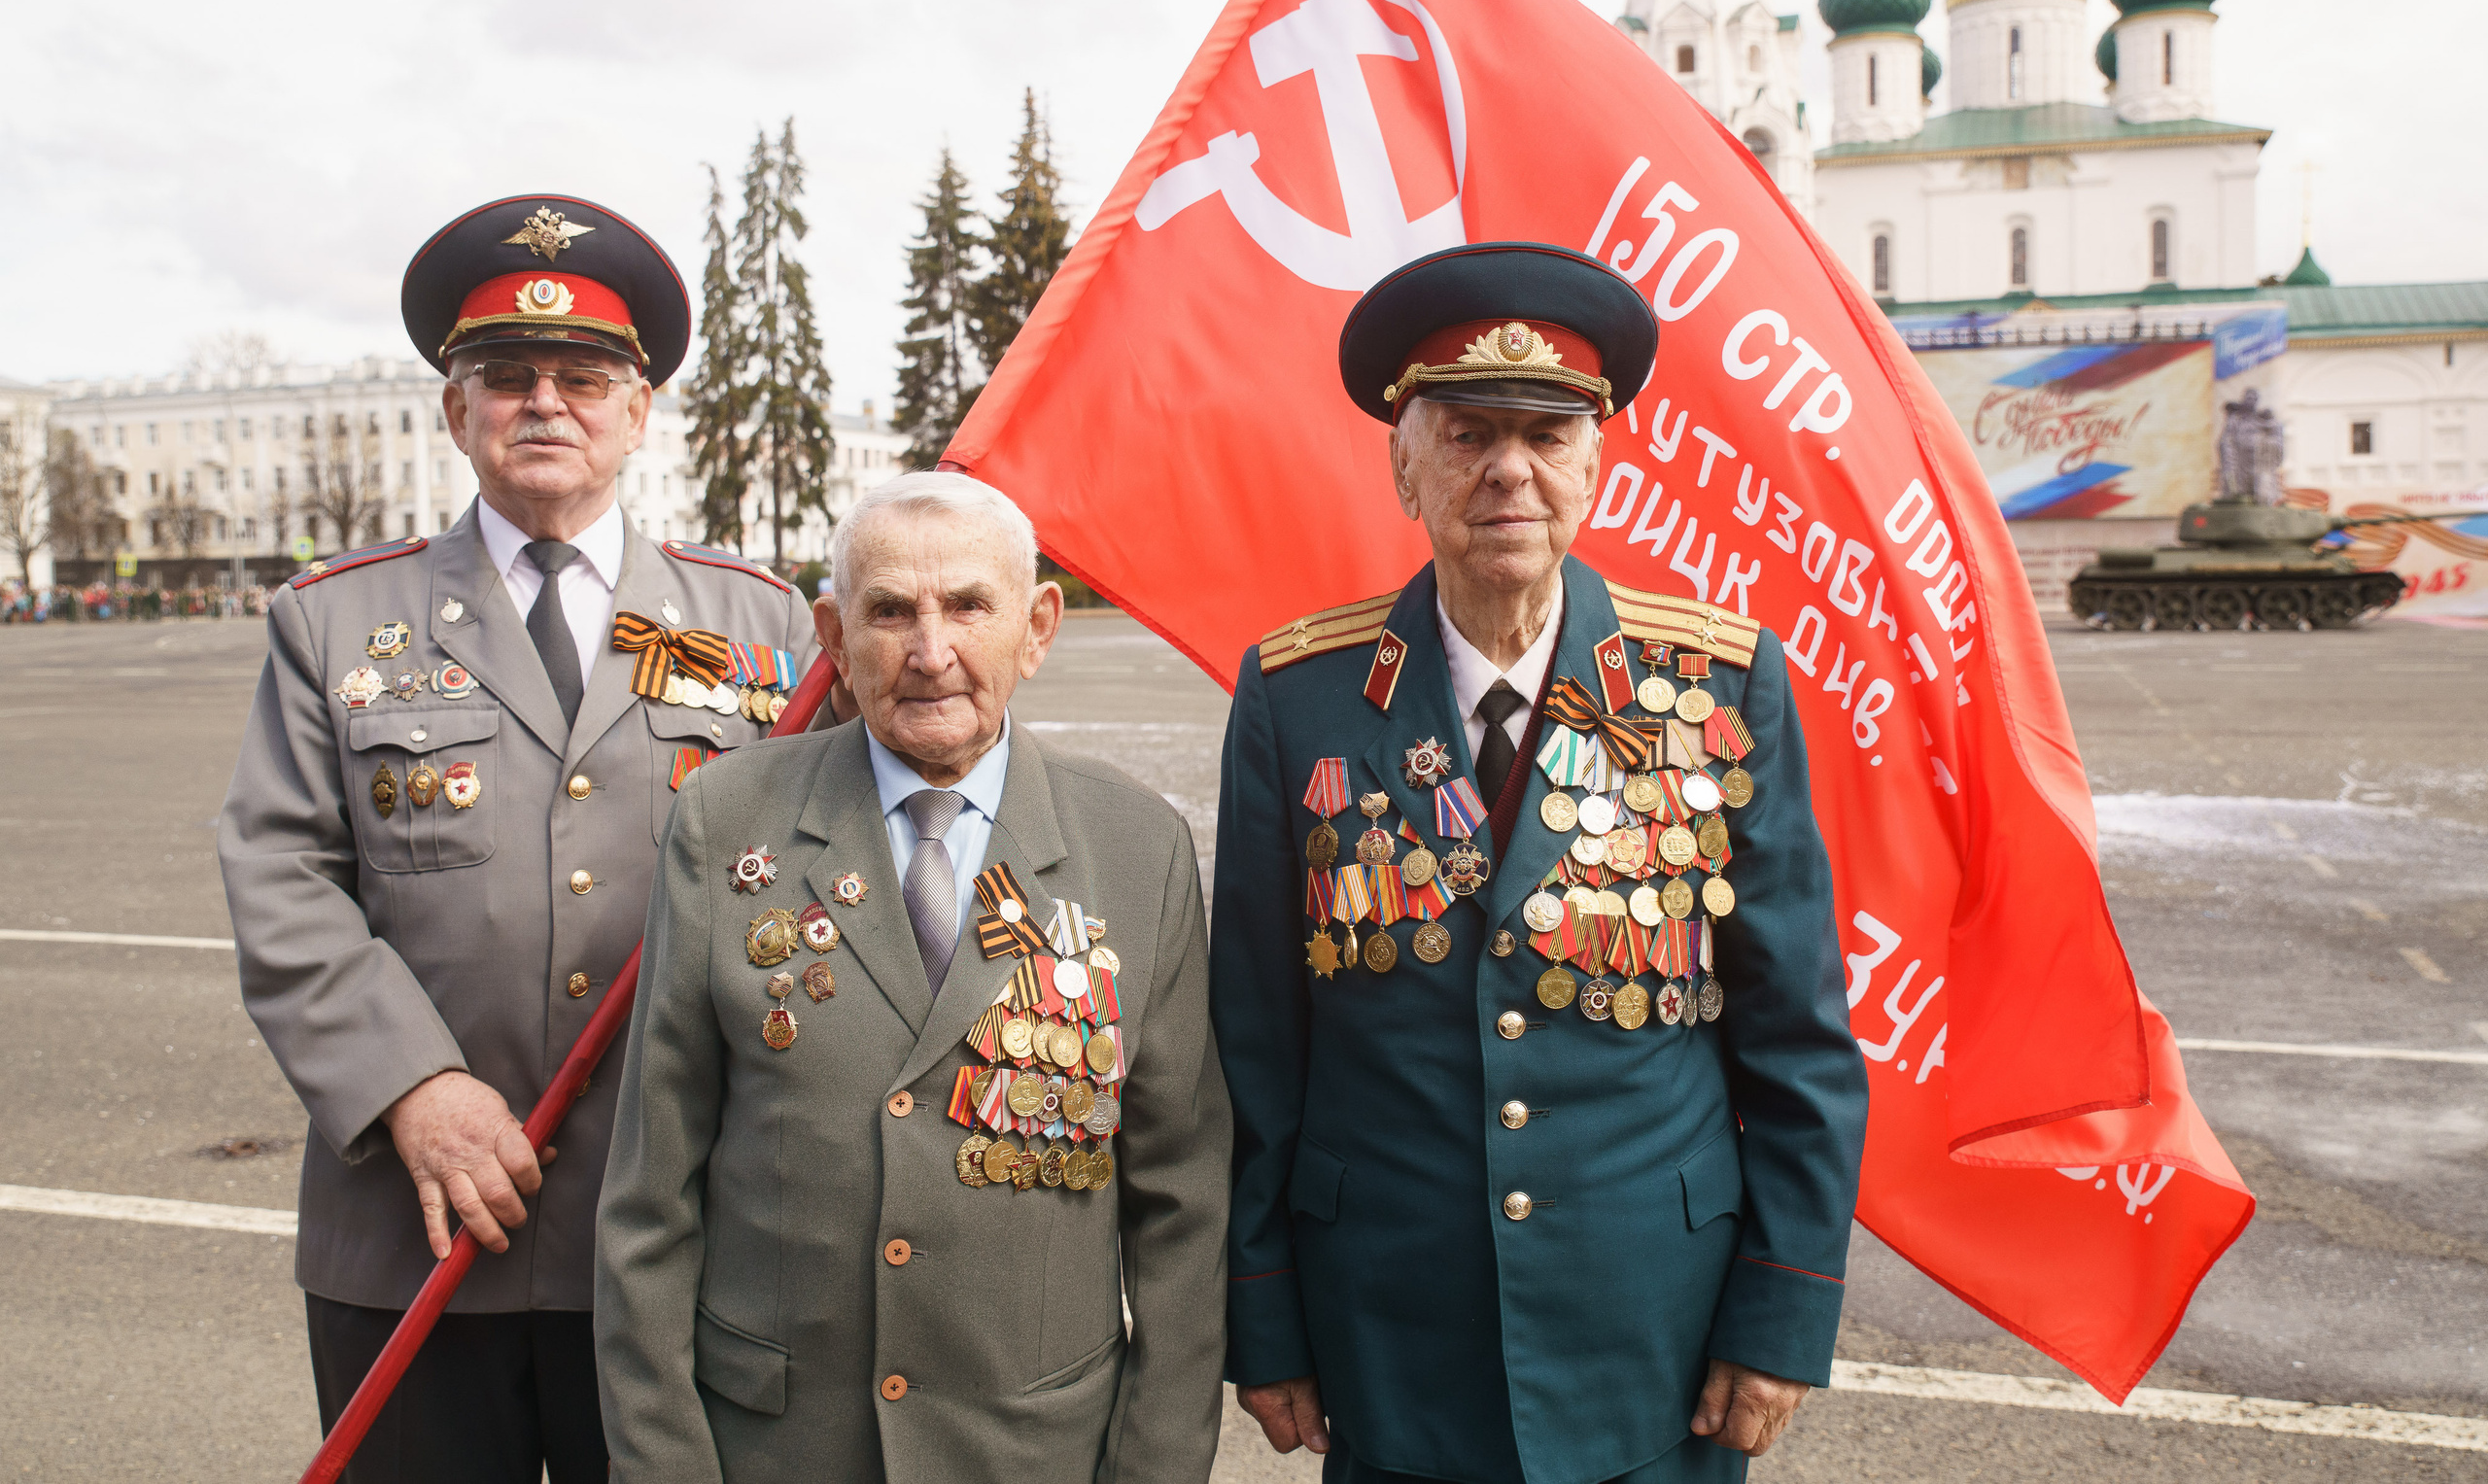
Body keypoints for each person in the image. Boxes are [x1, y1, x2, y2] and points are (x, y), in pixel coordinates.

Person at [1212, 241, 1869, 1483]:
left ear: (1594, 464)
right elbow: (1257, 1048)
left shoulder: (1716, 685)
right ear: (1401, 464)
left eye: (1545, 435)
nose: (1509, 469)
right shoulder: (1299, 696)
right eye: (1465, 433)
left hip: (1654, 1342)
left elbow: (1799, 1041)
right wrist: (1265, 1313)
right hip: (1389, 1336)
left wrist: (1781, 1314)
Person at [217, 193, 818, 1482]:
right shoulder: (334, 625)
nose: (546, 402)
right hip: (416, 1230)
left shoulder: (765, 627)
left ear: (639, 415)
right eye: (507, 377)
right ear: (458, 412)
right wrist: (408, 1089)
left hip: (677, 1234)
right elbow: (284, 875)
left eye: (585, 378)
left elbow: (823, 887)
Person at [596, 472, 1232, 1483]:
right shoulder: (725, 821)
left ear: (1036, 627)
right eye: (890, 610)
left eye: (969, 606)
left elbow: (1182, 1204)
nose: (930, 652)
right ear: (835, 638)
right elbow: (649, 1199)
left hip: (1034, 1450)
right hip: (778, 1448)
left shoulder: (1133, 842)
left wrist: (1155, 1465)